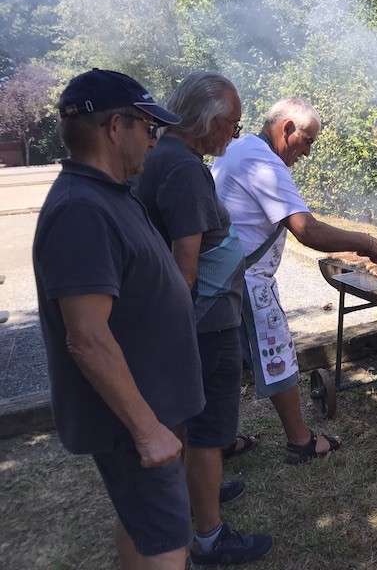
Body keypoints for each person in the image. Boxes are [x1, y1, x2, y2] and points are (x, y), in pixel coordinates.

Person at [33, 68, 204, 569]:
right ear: (114, 127)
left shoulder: (109, 194)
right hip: (134, 421)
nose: (154, 144)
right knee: (169, 543)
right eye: (149, 130)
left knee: (144, 526)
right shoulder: (82, 210)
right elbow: (86, 338)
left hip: (150, 409)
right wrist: (147, 429)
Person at [211, 96, 377, 464]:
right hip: (245, 278)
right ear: (287, 129)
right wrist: (367, 242)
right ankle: (300, 441)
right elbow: (307, 230)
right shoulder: (264, 162)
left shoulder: (241, 146)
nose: (308, 152)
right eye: (308, 140)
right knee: (276, 350)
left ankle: (218, 439)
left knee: (224, 361)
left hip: (222, 275)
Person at [134, 71, 271, 566]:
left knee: (193, 423)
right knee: (212, 428)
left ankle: (201, 495)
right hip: (206, 321)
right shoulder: (186, 168)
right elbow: (184, 264)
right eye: (232, 126)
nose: (233, 136)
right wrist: (178, 332)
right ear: (210, 122)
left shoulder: (162, 155)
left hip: (193, 320)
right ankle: (210, 535)